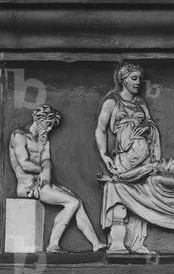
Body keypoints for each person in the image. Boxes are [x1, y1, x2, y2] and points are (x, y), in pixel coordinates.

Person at [9, 104, 105, 253]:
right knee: (72, 203)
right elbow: (25, 164)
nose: (48, 129)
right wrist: (43, 173)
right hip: (28, 187)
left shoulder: (44, 140)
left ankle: (95, 243)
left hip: (42, 184)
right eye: (47, 124)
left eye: (51, 126)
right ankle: (53, 244)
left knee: (77, 202)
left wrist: (46, 181)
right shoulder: (19, 135)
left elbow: (47, 163)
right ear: (38, 119)